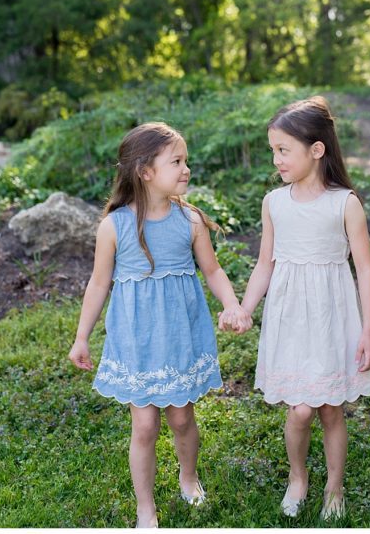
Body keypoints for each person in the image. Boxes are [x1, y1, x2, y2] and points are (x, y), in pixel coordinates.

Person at [68, 122, 252, 528]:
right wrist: (82, 337)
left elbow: (214, 270)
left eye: (186, 161)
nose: (186, 169)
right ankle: (145, 506)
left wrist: (233, 304)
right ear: (145, 171)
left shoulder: (190, 221)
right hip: (137, 340)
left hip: (179, 335)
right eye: (176, 161)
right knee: (146, 424)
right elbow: (99, 284)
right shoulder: (113, 226)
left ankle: (188, 478)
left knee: (182, 418)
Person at [235, 96, 370, 520]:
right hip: (291, 317)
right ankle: (298, 477)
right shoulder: (274, 202)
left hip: (332, 316)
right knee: (299, 410)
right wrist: (245, 307)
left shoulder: (345, 203)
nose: (276, 159)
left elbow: (366, 271)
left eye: (283, 150)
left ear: (316, 150)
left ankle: (335, 487)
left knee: (331, 408)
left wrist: (368, 330)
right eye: (273, 151)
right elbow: (265, 264)